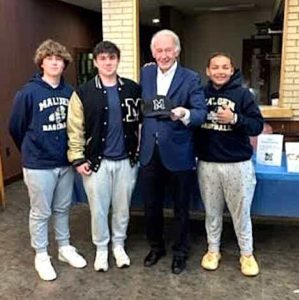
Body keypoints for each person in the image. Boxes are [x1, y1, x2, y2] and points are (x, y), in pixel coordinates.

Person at [9, 39, 87, 281]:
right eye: (49, 58)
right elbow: (15, 127)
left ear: (64, 64)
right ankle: (41, 254)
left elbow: (76, 126)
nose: (54, 62)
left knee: (63, 208)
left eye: (59, 59)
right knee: (41, 212)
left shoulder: (70, 92)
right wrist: (33, 150)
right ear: (41, 62)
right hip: (38, 164)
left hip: (65, 162)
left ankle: (64, 248)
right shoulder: (28, 92)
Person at [67, 41, 141, 272]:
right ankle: (101, 248)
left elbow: (142, 123)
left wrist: (139, 151)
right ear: (96, 62)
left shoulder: (132, 88)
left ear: (118, 60)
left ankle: (118, 245)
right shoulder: (83, 92)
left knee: (122, 207)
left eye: (112, 58)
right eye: (103, 58)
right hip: (96, 163)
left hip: (126, 161)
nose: (108, 62)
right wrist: (78, 158)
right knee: (98, 209)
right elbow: (74, 128)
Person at [139, 29, 207, 275]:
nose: (164, 55)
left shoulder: (191, 78)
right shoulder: (145, 73)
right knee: (151, 205)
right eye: (159, 50)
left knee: (181, 208)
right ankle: (156, 247)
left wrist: (185, 113)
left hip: (179, 152)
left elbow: (201, 113)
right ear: (153, 52)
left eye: (168, 50)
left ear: (177, 51)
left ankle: (180, 252)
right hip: (149, 152)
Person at [196, 52, 264, 276]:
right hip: (207, 164)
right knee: (212, 212)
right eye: (215, 67)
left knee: (240, 212)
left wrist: (235, 119)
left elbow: (257, 126)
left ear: (232, 69)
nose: (220, 71)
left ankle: (247, 254)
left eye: (225, 67)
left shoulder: (244, 95)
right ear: (207, 71)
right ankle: (213, 250)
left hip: (238, 164)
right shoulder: (200, 94)